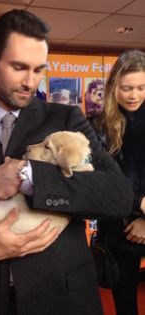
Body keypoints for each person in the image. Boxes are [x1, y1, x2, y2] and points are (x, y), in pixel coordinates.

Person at [0, 9, 133, 315]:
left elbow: (118, 195)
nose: (30, 81)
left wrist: (29, 174)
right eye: (19, 67)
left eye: (39, 70)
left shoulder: (67, 119)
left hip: (62, 300)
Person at [92, 49, 145, 315]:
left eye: (141, 87)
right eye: (126, 88)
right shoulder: (101, 126)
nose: (134, 95)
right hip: (118, 231)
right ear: (114, 86)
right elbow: (101, 181)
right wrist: (136, 205)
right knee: (125, 305)